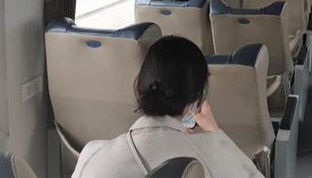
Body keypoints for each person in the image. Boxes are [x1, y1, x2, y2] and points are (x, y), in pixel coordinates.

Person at [72, 36, 263, 178]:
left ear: (140, 87)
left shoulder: (92, 155)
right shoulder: (214, 156)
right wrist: (215, 133)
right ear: (198, 98)